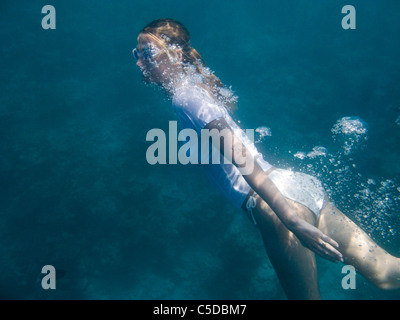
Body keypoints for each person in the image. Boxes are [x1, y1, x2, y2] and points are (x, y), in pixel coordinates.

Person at [133, 18, 400, 299]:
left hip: (273, 205)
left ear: (175, 54)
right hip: (295, 184)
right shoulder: (198, 89)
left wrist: (291, 221)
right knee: (387, 274)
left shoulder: (185, 97)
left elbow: (241, 157)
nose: (140, 63)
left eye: (148, 54)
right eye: (136, 54)